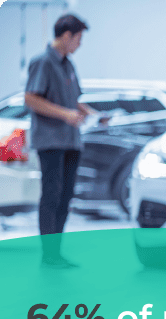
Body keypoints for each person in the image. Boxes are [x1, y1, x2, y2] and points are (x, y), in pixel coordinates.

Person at [24, 14, 98, 268]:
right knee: (51, 196)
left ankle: (57, 252)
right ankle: (49, 255)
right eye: (78, 38)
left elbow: (71, 100)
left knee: (65, 197)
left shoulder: (68, 65)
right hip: (51, 141)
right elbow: (31, 99)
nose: (79, 44)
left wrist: (88, 112)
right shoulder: (42, 62)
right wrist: (65, 114)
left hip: (71, 141)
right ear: (67, 35)